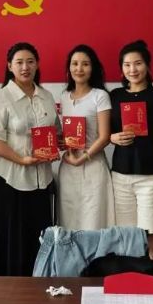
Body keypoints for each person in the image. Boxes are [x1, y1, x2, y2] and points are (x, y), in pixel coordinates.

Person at [0, 42, 58, 276]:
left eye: (30, 62)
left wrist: (62, 144)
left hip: (41, 181)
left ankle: (38, 285)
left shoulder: (46, 96)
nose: (25, 67)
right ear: (10, 66)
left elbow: (54, 132)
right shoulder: (2, 97)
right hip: (10, 182)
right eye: (19, 62)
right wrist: (20, 159)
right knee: (13, 245)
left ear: (37, 64)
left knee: (38, 241)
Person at [109, 40, 153, 261]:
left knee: (150, 240)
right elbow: (103, 133)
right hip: (120, 176)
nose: (133, 69)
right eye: (127, 65)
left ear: (147, 65)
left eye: (138, 63)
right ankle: (129, 280)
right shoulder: (115, 96)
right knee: (127, 238)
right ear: (121, 68)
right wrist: (112, 137)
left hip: (152, 177)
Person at [57, 45, 114, 230]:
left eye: (85, 64)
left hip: (92, 166)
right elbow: (64, 132)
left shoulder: (100, 96)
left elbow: (104, 136)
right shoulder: (64, 97)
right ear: (69, 68)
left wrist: (84, 157)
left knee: (93, 223)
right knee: (68, 222)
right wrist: (60, 144)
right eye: (74, 64)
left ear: (93, 67)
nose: (79, 69)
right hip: (68, 167)